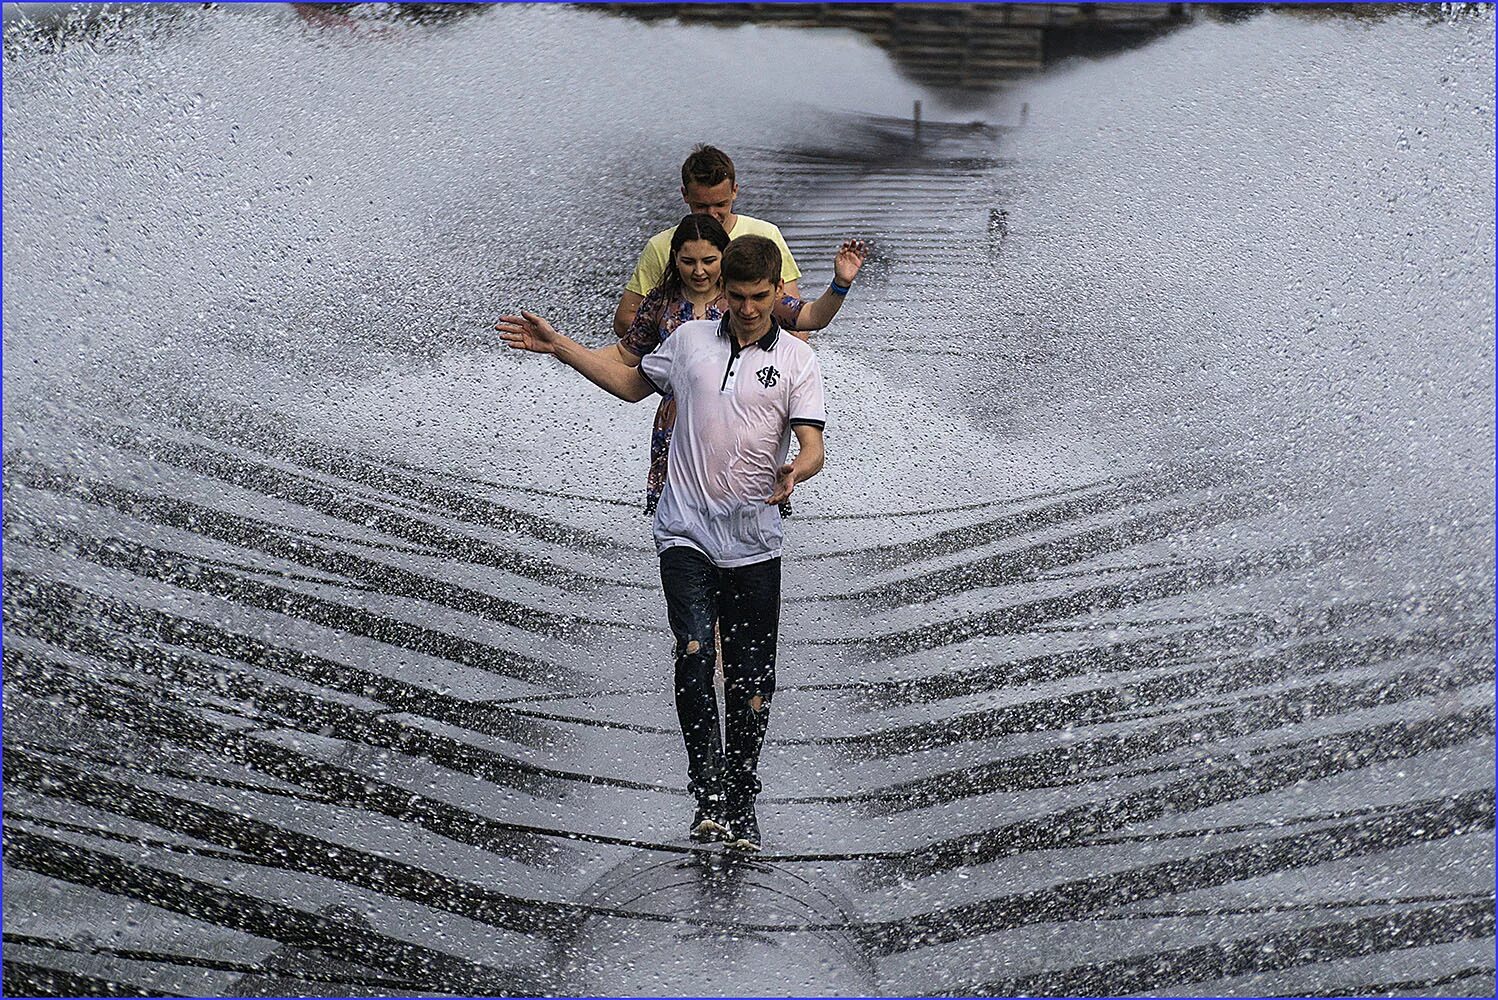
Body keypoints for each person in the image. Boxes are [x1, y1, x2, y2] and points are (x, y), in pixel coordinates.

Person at [497, 236, 829, 852]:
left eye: (761, 298)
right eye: (739, 297)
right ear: (721, 292)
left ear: (773, 296)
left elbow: (811, 446)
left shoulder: (797, 364)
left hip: (755, 539)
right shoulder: (688, 343)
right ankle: (707, 799)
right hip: (685, 529)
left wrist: (797, 472)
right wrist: (561, 348)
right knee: (696, 651)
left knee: (752, 679)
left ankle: (741, 794)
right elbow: (628, 384)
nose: (751, 309)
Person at [618, 212, 864, 514]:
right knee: (678, 532)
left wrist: (839, 284)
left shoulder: (753, 297)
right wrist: (560, 346)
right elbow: (624, 363)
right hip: (679, 433)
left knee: (749, 520)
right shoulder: (662, 304)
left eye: (708, 261)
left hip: (746, 444)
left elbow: (812, 317)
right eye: (688, 261)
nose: (699, 271)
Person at [611, 145, 802, 340]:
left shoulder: (766, 234)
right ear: (685, 195)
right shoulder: (660, 246)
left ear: (734, 191)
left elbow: (795, 324)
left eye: (721, 204)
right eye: (701, 206)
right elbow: (624, 320)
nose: (712, 214)